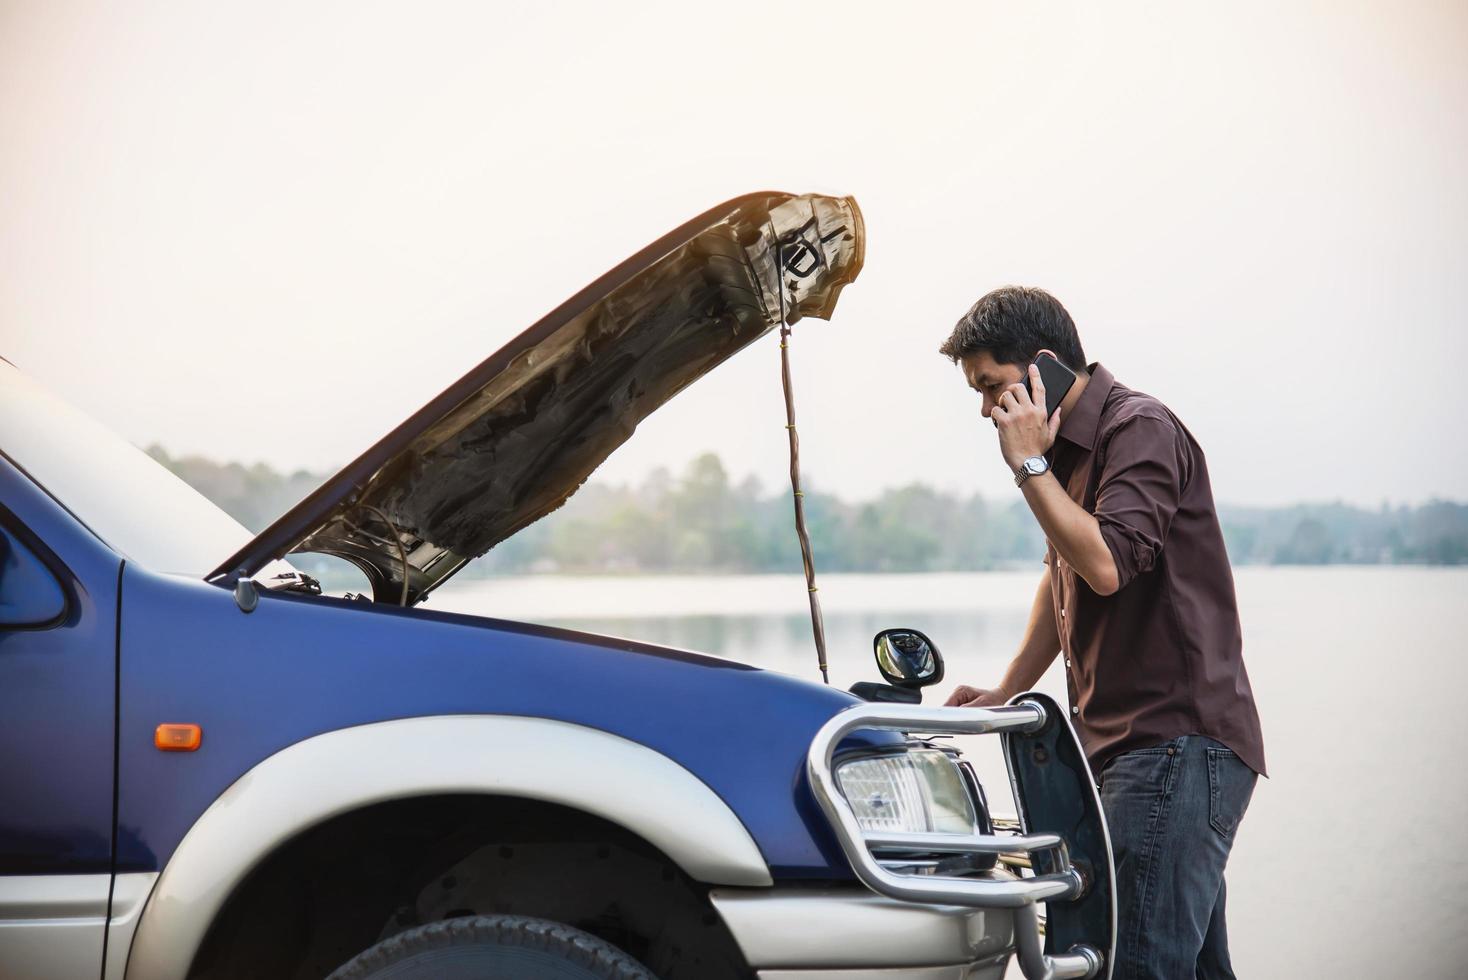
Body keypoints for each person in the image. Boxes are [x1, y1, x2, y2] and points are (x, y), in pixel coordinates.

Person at [938, 286, 1265, 980]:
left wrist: (1028, 467)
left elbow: (1107, 563)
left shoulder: (1137, 428)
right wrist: (1007, 690)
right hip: (1129, 752)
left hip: (1173, 746)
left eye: (992, 386)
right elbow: (1065, 576)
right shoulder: (1067, 453)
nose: (985, 409)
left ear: (1044, 368)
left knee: (1129, 966)